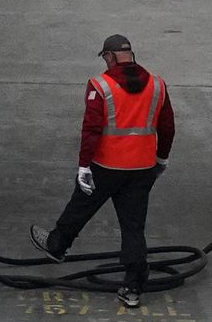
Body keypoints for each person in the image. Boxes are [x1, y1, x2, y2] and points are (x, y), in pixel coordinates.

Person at [31, 33, 175, 308]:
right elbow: (167, 127)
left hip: (106, 166)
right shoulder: (157, 85)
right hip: (142, 168)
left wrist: (84, 165)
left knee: (82, 204)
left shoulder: (100, 85)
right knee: (133, 226)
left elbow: (92, 129)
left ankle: (56, 245)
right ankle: (133, 287)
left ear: (109, 56)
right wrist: (162, 159)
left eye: (105, 57)